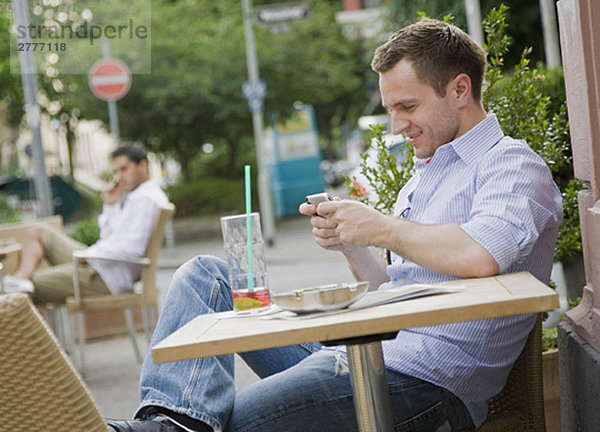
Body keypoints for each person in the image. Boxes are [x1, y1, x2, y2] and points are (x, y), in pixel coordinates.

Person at [107, 19, 562, 432]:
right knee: (205, 277)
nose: (397, 124)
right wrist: (352, 242)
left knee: (235, 423)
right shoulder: (427, 172)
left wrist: (382, 228)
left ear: (460, 89)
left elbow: (480, 256)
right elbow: (396, 288)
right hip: (369, 354)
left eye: (407, 106)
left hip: (429, 385)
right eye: (390, 108)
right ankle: (169, 423)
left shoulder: (512, 166)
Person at [2, 145, 169, 303]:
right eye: (116, 171)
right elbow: (109, 238)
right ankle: (20, 279)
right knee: (38, 232)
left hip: (106, 276)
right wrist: (110, 205)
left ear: (143, 165)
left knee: (36, 281)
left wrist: (90, 255)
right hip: (99, 263)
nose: (119, 176)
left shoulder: (146, 200)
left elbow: (133, 248)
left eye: (124, 169)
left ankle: (19, 285)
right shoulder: (137, 197)